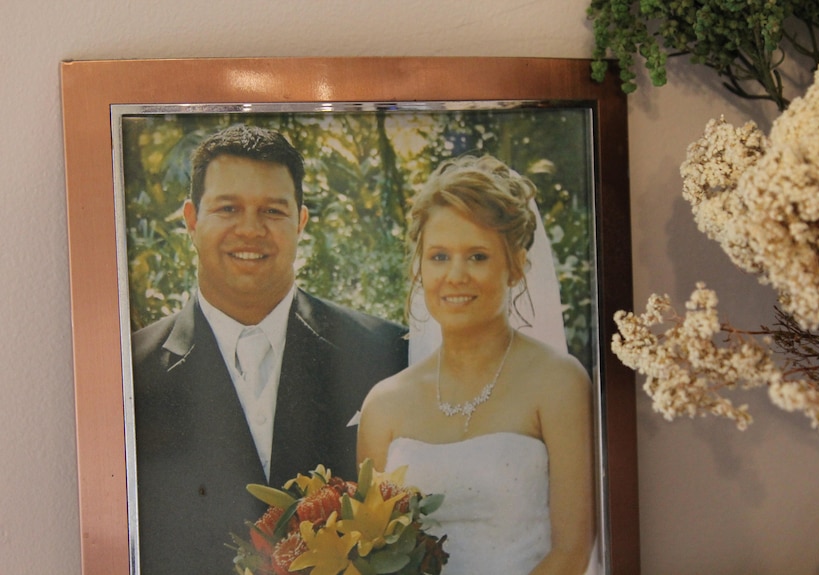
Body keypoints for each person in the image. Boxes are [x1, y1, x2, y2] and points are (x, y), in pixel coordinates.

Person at [131, 124, 408, 575]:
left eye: (272, 211)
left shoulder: (384, 353)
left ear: (300, 221)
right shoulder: (131, 371)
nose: (250, 229)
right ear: (191, 219)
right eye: (228, 208)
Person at [357, 155, 597, 575]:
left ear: (516, 266)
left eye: (478, 256)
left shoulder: (558, 383)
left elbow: (573, 550)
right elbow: (370, 554)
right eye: (439, 256)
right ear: (420, 267)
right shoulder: (384, 405)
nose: (456, 275)